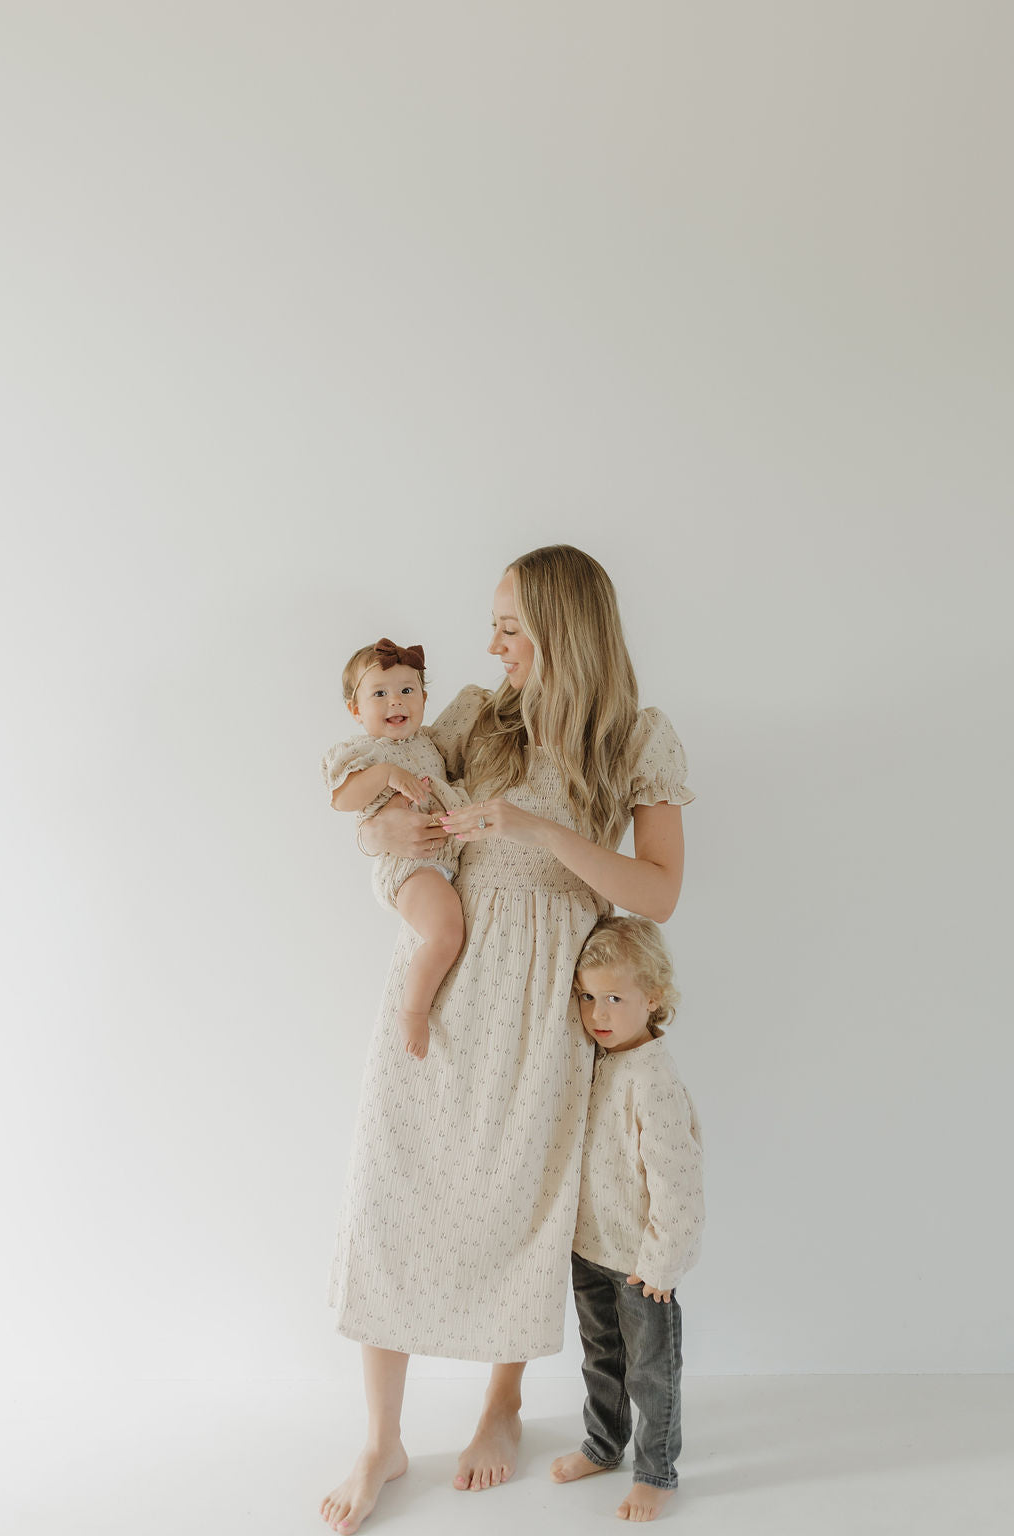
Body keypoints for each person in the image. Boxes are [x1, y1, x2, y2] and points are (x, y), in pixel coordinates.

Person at [319, 545, 695, 1535]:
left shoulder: (634, 736)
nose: (491, 646)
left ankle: (502, 1402)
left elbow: (658, 892)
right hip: (446, 979)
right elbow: (391, 786)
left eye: (510, 628)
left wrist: (537, 831)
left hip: (547, 996)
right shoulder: (474, 715)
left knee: (521, 1203)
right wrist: (379, 836)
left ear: (563, 630)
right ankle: (381, 1438)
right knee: (390, 1192)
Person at [550, 915, 704, 1523]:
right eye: (588, 997)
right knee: (601, 1360)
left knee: (651, 1373)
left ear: (654, 997)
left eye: (615, 998)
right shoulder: (596, 1060)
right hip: (591, 1248)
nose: (598, 1014)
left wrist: (662, 1264)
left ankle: (656, 1471)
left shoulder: (653, 1079)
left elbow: (678, 1182)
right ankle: (603, 1443)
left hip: (642, 1266)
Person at [321, 637, 467, 1059]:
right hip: (409, 867)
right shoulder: (365, 753)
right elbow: (342, 799)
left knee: (452, 931)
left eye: (407, 690)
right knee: (446, 934)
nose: (395, 702)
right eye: (380, 694)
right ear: (356, 710)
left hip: (439, 863)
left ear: (424, 699)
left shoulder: (430, 743)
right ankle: (412, 1011)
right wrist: (385, 773)